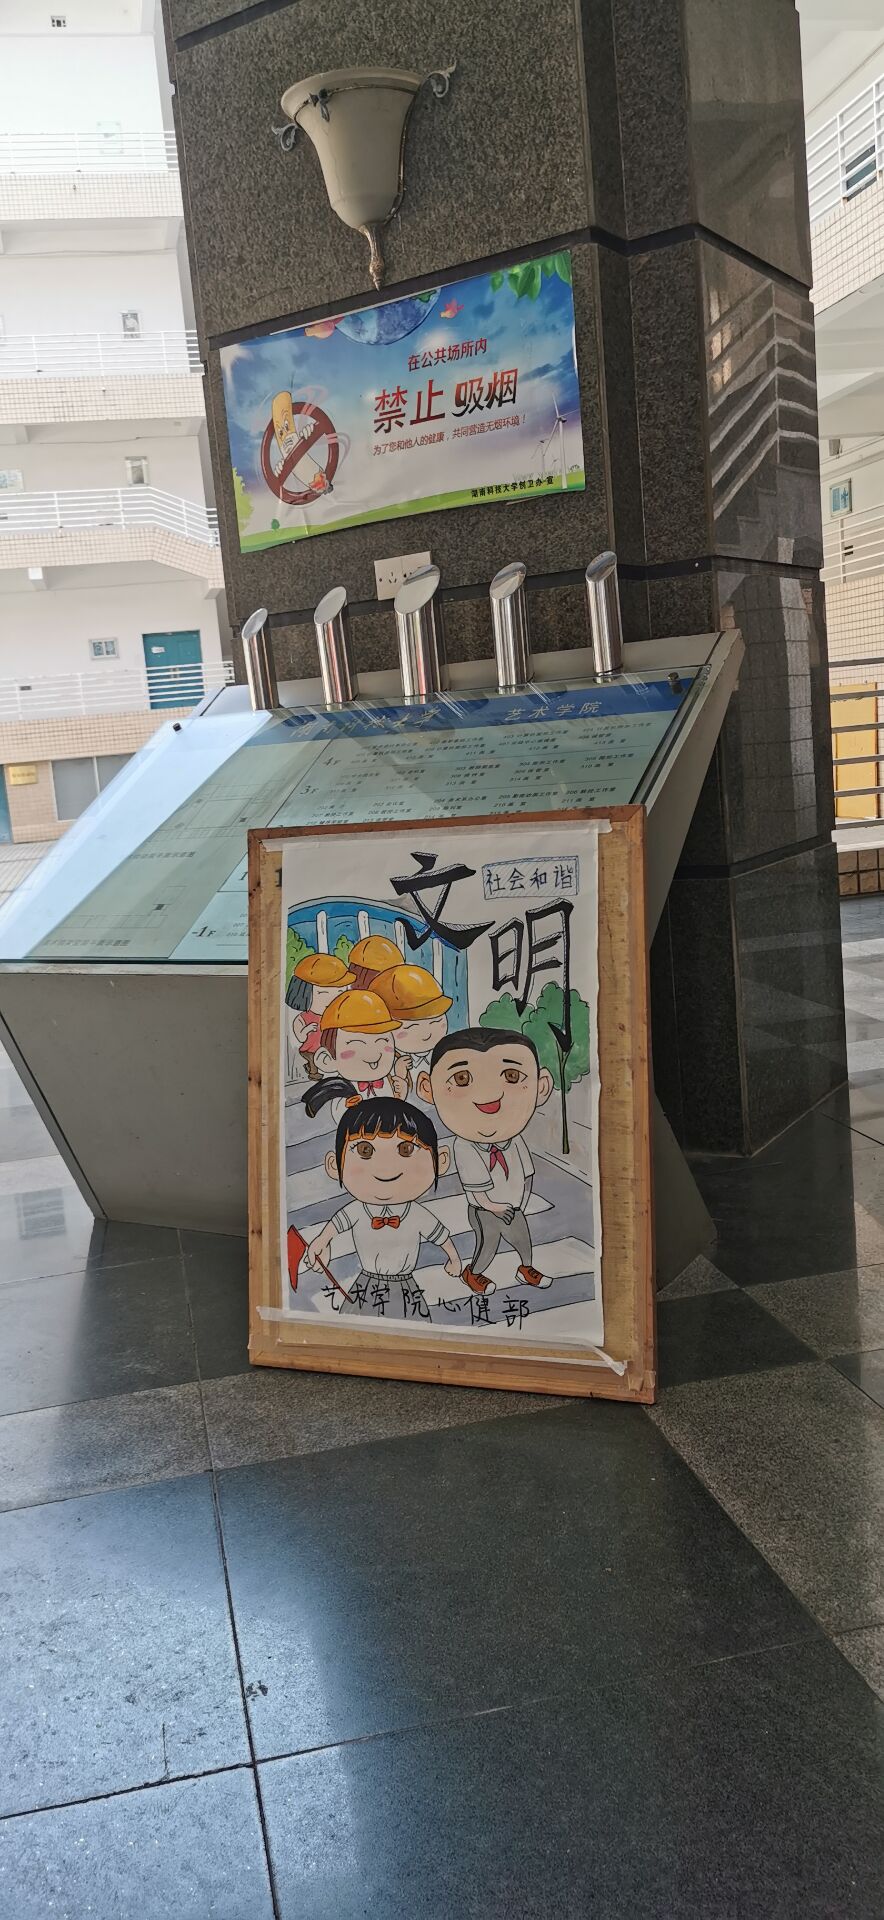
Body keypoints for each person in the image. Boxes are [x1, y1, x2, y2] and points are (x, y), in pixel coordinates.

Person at [418, 1029, 555, 1295]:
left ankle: (526, 1268)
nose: (489, 1093)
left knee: (522, 1239)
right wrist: (494, 1207)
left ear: (541, 1087)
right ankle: (473, 1273)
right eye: (461, 1078)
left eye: (511, 1076)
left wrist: (521, 1201)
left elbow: (527, 1173)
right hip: (484, 1209)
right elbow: (477, 1190)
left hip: (513, 1205)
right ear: (428, 1089)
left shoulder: (514, 1140)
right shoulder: (465, 1146)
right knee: (488, 1243)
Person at [304, 1096, 462, 1308]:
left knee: (409, 1325)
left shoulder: (415, 1213)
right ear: (334, 1165)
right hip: (366, 1284)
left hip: (405, 1287)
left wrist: (454, 1259)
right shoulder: (357, 1210)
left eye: (406, 1149)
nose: (386, 1166)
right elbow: (336, 1225)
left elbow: (440, 1236)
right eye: (365, 1150)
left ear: (440, 1161)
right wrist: (321, 1243)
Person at [302, 988, 407, 1123]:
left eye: (382, 1041)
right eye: (357, 1045)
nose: (373, 1054)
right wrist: (349, 1107)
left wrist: (399, 1096)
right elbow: (340, 1118)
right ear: (327, 1059)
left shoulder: (388, 1083)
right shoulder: (344, 1090)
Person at [371, 963, 452, 1092]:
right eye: (412, 1028)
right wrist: (400, 1077)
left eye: (436, 1022)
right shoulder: (382, 1063)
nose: (427, 1034)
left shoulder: (447, 1055)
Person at [285, 951, 354, 1079]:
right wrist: (306, 1029)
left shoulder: (339, 1015)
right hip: (311, 1049)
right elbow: (300, 1037)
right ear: (304, 994)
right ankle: (313, 1073)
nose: (331, 999)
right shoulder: (303, 1018)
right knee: (314, 1064)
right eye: (323, 993)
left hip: (331, 1050)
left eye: (340, 992)